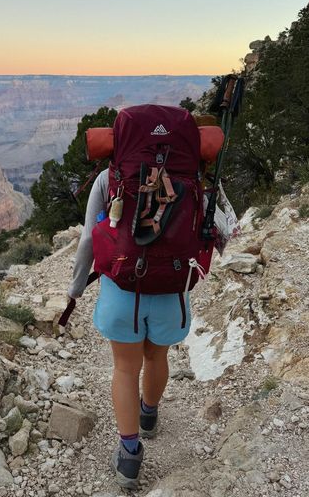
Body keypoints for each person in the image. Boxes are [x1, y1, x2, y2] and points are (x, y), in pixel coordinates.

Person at [67, 167, 192, 490]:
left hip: (122, 288)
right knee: (156, 357)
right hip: (170, 286)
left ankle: (129, 456)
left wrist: (76, 288)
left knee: (125, 368)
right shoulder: (189, 170)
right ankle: (148, 415)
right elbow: (215, 229)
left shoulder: (110, 177)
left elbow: (87, 238)